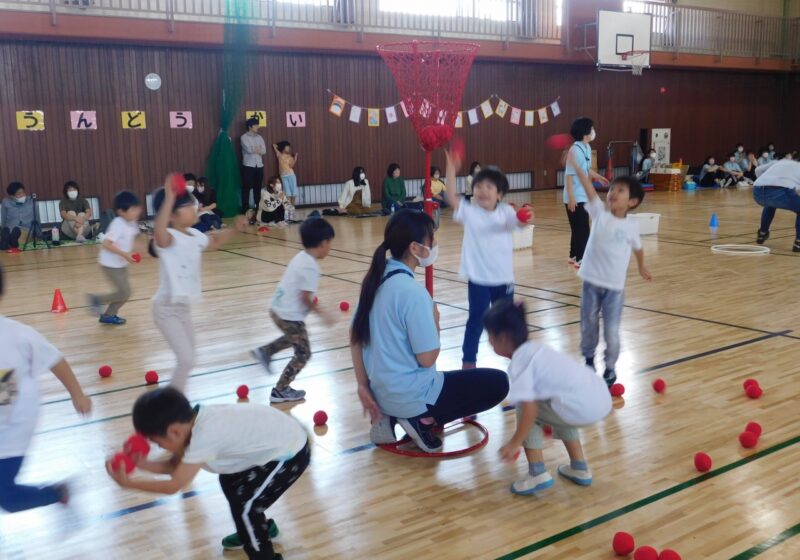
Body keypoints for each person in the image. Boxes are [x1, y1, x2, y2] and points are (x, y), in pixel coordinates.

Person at [350, 210, 509, 453]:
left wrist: (363, 386)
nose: (434, 245)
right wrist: (435, 321)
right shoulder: (413, 294)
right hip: (413, 396)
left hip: (380, 393)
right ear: (415, 248)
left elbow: (355, 338)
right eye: (431, 241)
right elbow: (427, 359)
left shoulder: (374, 281)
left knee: (449, 379)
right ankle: (422, 420)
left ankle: (389, 417)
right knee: (498, 382)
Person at [106, 387, 307, 560]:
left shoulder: (204, 437)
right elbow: (175, 466)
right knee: (230, 481)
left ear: (174, 431)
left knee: (247, 506)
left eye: (159, 443)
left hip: (289, 453)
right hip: (274, 441)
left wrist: (129, 483)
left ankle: (262, 549)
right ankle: (258, 530)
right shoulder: (192, 422)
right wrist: (142, 463)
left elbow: (175, 484)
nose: (160, 447)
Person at [486, 299, 611, 495]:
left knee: (526, 407)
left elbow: (529, 410)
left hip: (581, 409)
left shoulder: (520, 362)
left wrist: (514, 443)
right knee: (556, 401)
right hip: (600, 398)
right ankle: (580, 467)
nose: (489, 342)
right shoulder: (537, 349)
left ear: (502, 338)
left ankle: (538, 474)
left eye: (490, 337)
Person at [0, 264, 92, 513]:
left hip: (13, 428)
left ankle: (57, 493)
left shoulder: (18, 336)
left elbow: (55, 359)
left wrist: (77, 394)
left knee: (6, 496)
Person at [150, 175, 247, 391]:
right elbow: (159, 233)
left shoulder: (194, 235)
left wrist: (234, 229)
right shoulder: (169, 238)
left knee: (189, 359)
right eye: (187, 205)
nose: (195, 207)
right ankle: (169, 406)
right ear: (173, 215)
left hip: (182, 308)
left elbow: (215, 241)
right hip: (165, 309)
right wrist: (168, 197)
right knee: (186, 360)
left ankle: (175, 401)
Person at [567, 151, 651, 387]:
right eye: (612, 188)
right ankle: (588, 360)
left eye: (620, 191)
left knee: (612, 333)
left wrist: (642, 265)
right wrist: (576, 166)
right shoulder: (599, 213)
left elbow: (638, 248)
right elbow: (588, 186)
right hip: (591, 284)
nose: (613, 192)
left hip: (615, 290)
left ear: (632, 202)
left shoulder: (632, 225)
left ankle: (611, 367)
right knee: (589, 325)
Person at [443, 150, 532, 369]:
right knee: (475, 322)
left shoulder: (506, 213)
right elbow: (450, 197)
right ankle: (469, 363)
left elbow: (520, 224)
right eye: (479, 186)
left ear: (499, 194)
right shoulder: (469, 212)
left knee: (509, 325)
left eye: (489, 187)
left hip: (503, 280)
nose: (482, 190)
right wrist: (451, 170)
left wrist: (525, 216)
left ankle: (518, 364)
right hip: (479, 280)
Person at [252, 218, 335, 403]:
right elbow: (305, 298)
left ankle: (265, 351)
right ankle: (280, 390)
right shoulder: (311, 267)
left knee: (296, 337)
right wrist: (324, 315)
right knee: (304, 353)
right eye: (330, 243)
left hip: (277, 309)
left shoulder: (301, 257)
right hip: (289, 315)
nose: (330, 247)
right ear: (323, 243)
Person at [87, 191, 142, 325]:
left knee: (126, 293)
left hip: (121, 263)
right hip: (109, 264)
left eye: (137, 208)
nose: (137, 211)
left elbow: (135, 239)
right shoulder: (118, 224)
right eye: (133, 209)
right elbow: (106, 244)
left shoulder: (132, 222)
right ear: (121, 212)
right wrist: (125, 255)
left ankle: (108, 315)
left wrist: (143, 251)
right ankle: (97, 299)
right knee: (124, 292)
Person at [564, 117, 610, 267]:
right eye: (591, 128)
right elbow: (569, 176)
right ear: (585, 132)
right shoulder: (574, 150)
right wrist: (571, 198)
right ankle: (582, 259)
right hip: (575, 196)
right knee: (582, 228)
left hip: (583, 194)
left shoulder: (587, 148)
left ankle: (573, 256)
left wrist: (598, 177)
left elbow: (586, 168)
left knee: (578, 227)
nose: (593, 131)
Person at [753, 157, 800, 252]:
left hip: (758, 191)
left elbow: (757, 170)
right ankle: (798, 242)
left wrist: (766, 181)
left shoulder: (781, 161)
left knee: (770, 205)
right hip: (782, 192)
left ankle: (762, 233)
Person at [241, 117, 267, 213]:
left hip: (259, 165)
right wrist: (256, 149)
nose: (258, 127)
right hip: (248, 165)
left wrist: (256, 149)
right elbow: (248, 149)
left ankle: (258, 207)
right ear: (250, 126)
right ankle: (245, 208)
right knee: (246, 187)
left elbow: (264, 151)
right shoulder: (244, 137)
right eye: (256, 125)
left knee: (258, 187)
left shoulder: (260, 137)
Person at [1, 182, 35, 251]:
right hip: (9, 228)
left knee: (20, 241)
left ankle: (8, 243)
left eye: (23, 192)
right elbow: (3, 218)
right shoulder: (6, 202)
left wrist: (38, 233)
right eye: (18, 194)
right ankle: (8, 241)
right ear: (12, 196)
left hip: (26, 229)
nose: (22, 195)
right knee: (7, 232)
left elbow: (37, 217)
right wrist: (3, 229)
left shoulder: (31, 201)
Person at [273, 141, 299, 206]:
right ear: (283, 148)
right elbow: (274, 146)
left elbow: (291, 166)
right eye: (287, 147)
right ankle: (288, 206)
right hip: (283, 176)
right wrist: (278, 146)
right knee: (287, 191)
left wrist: (295, 159)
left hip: (291, 175)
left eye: (289, 147)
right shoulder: (279, 154)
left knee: (293, 191)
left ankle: (292, 206)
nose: (288, 148)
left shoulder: (289, 156)